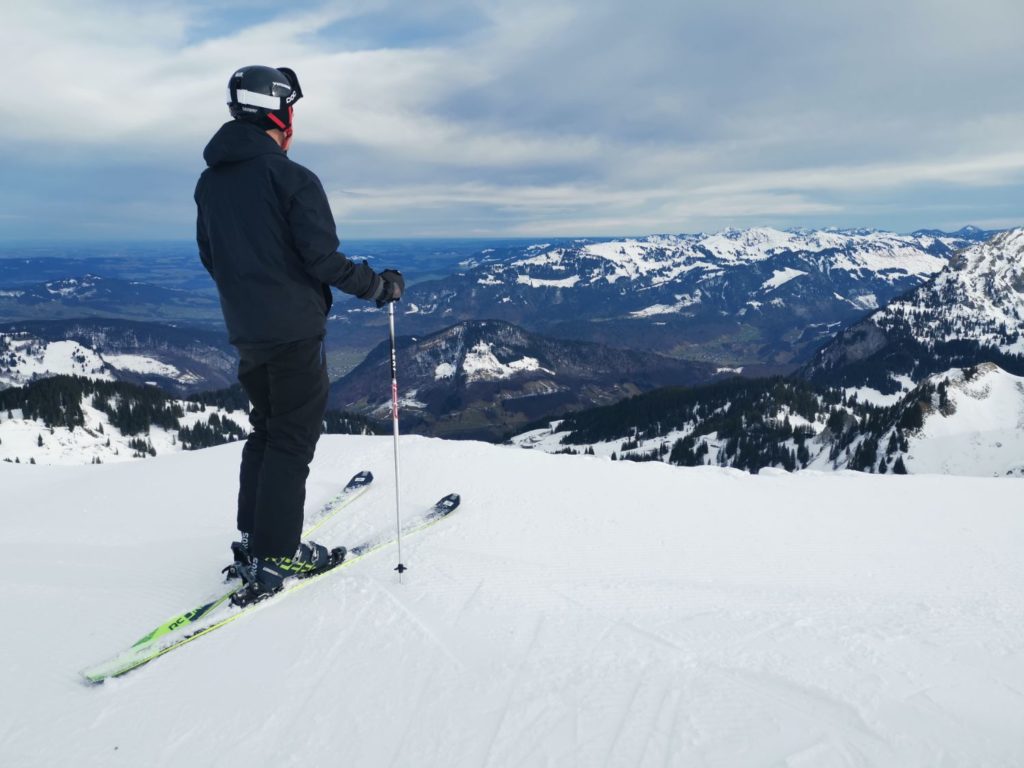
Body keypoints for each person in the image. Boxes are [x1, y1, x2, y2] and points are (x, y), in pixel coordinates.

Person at [194, 65, 404, 603]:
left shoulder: (211, 182)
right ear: (279, 112)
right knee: (291, 440)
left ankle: (254, 539)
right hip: (292, 332)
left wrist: (252, 300)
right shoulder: (291, 178)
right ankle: (277, 553)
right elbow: (322, 260)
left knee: (266, 430)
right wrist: (379, 287)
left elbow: (211, 258)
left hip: (247, 330)